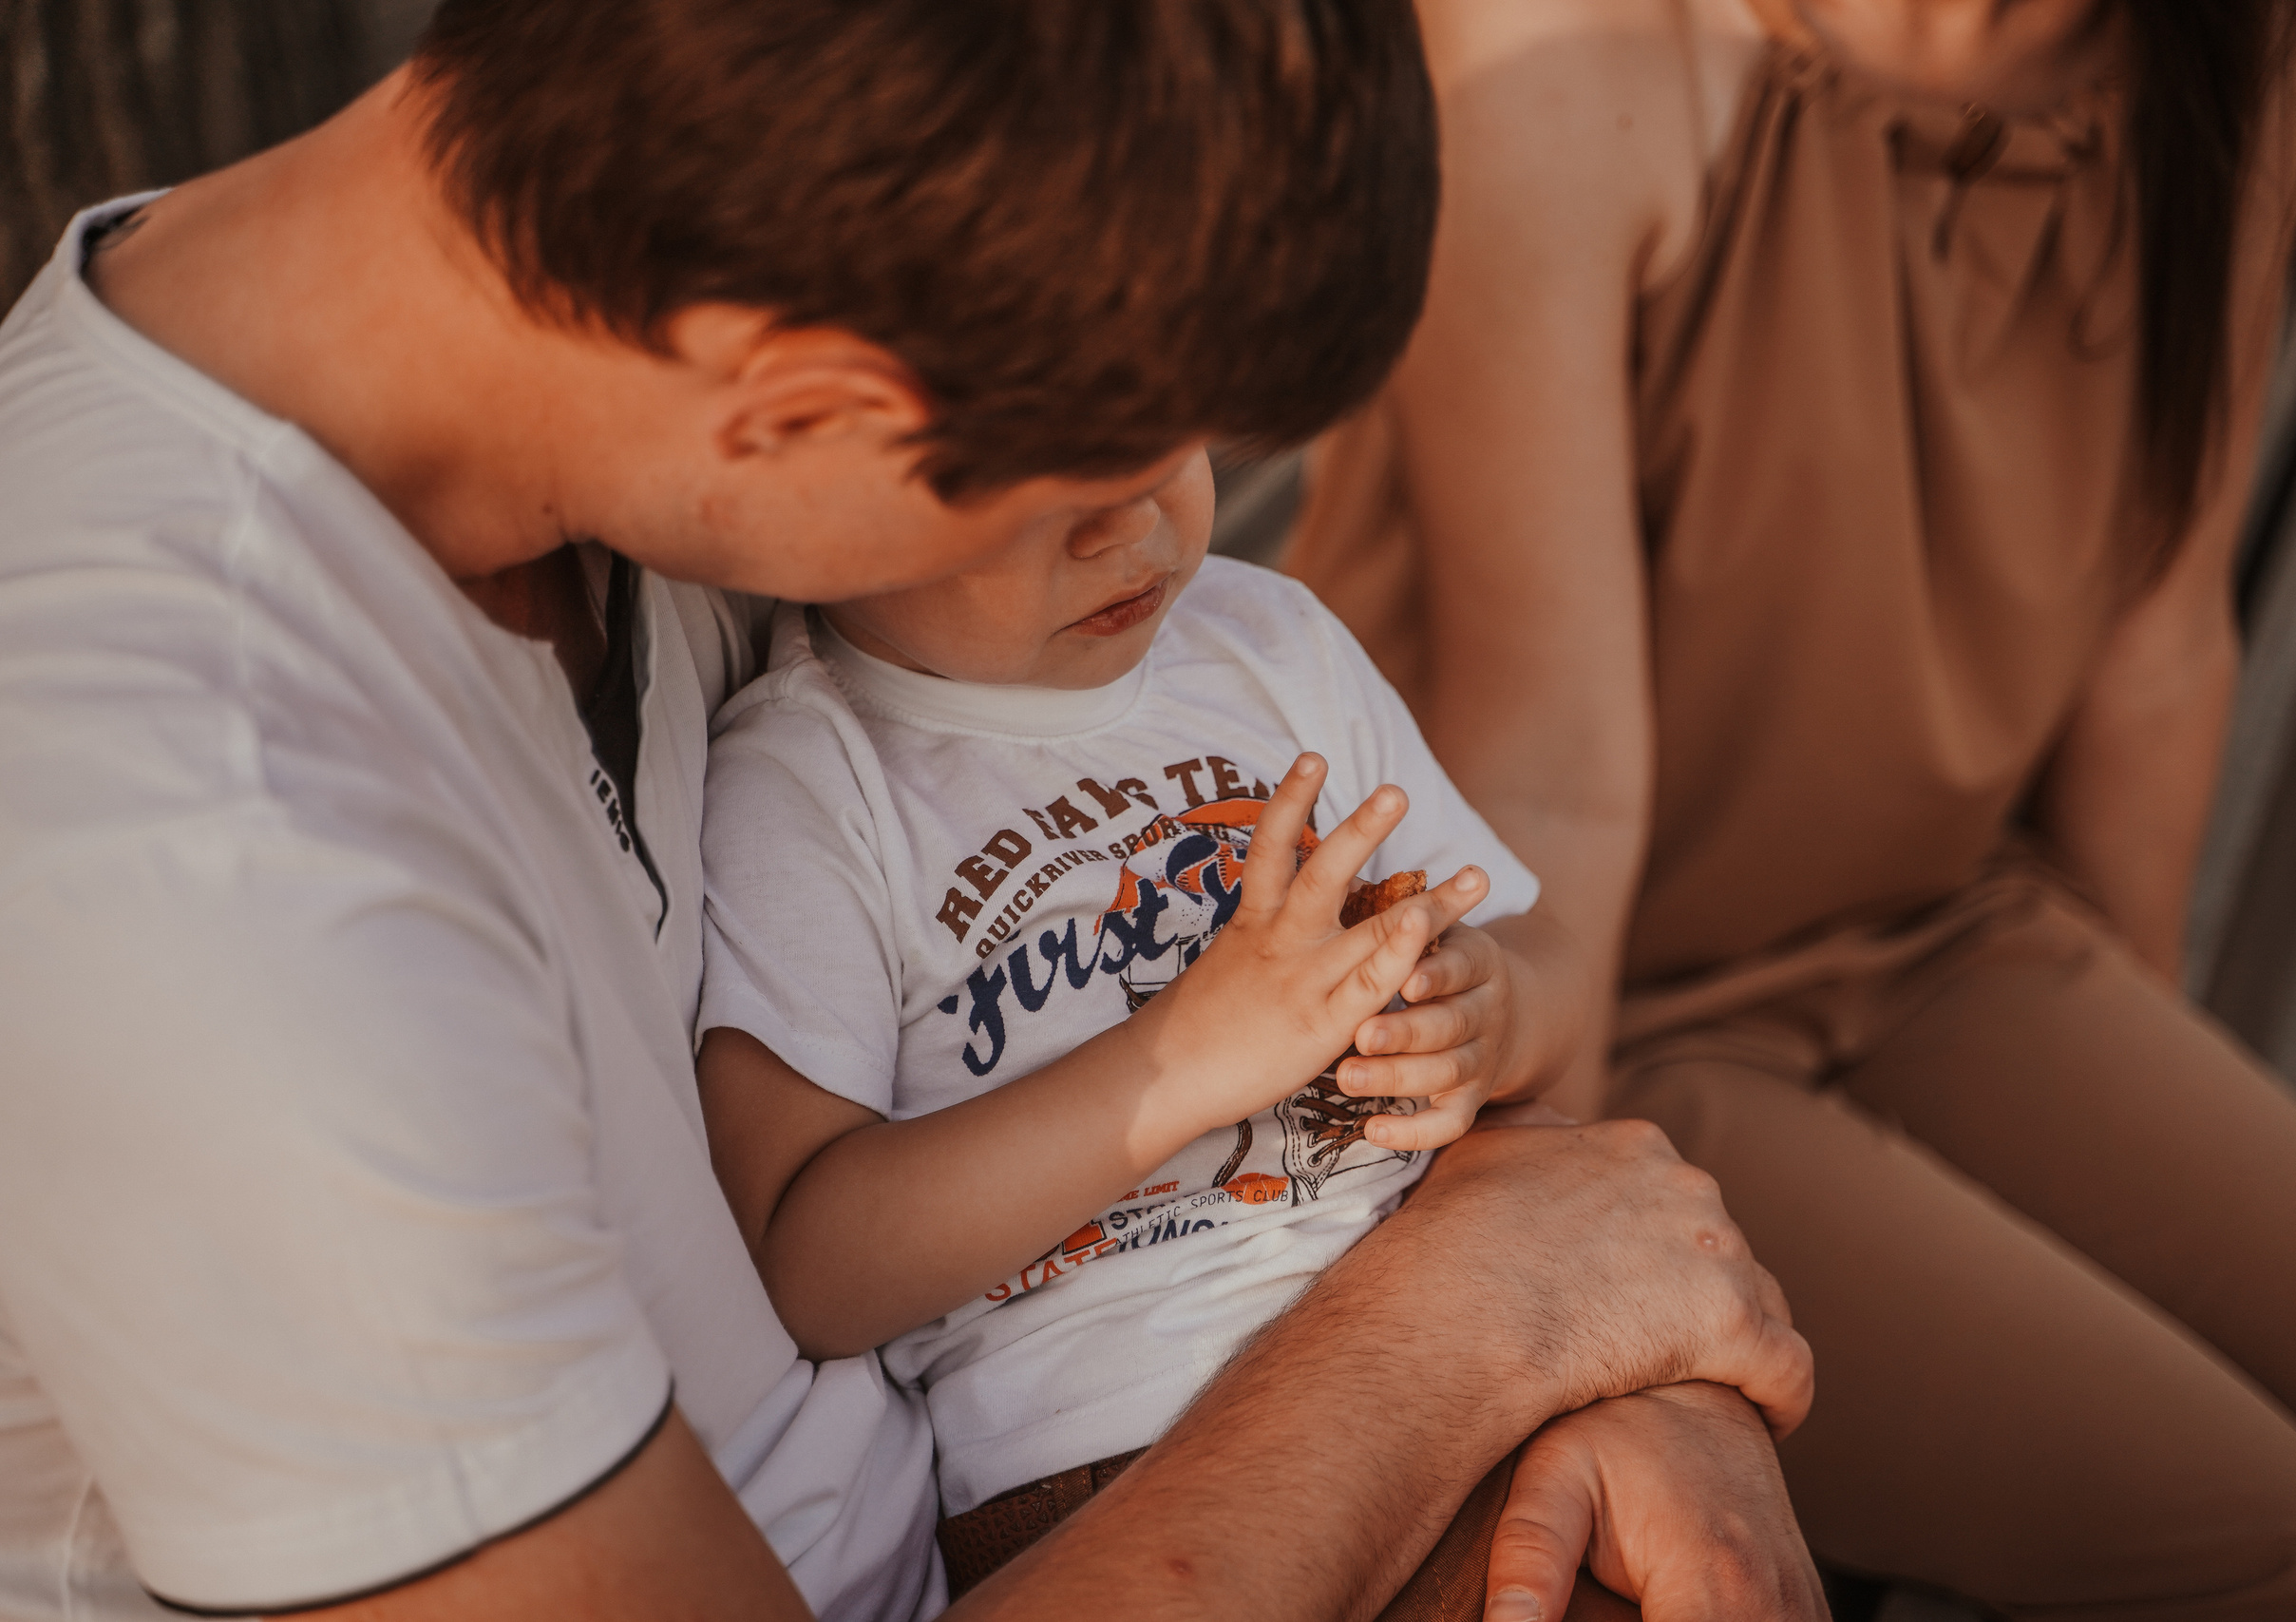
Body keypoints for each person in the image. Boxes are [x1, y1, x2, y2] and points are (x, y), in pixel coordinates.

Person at [0, 3, 1823, 1620]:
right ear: (798, 410)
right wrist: (1472, 1331)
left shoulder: (629, 362)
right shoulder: (199, 860)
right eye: (1094, 480)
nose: (1163, 547)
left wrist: (1606, 1362)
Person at [1285, 0, 2296, 1611]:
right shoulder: (1569, 51)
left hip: (1942, 929)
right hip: (1601, 1007)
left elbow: (2159, 638)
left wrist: (2112, 1155)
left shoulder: (2240, 55)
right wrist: (1580, 1306)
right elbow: (1556, 777)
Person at [691, 460, 1598, 1590]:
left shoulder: (1270, 642)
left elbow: (1545, 952)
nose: (1126, 519)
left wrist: (1494, 1011)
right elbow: (810, 1264)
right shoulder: (808, 784)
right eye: (1024, 477)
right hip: (1109, 1472)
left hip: (1464, 1357)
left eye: (1156, 438)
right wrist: (1184, 1063)